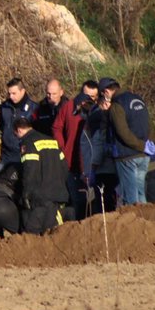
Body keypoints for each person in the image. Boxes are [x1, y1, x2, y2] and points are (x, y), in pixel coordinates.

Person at [98, 77, 152, 206]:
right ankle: (145, 222)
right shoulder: (138, 99)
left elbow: (122, 132)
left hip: (127, 156)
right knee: (141, 194)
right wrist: (145, 146)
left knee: (130, 197)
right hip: (144, 156)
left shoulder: (117, 106)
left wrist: (141, 146)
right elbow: (148, 125)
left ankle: (134, 224)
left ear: (106, 92)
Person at [52, 80, 99, 219]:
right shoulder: (69, 107)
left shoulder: (97, 111)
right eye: (85, 95)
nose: (88, 100)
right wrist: (62, 146)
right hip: (71, 162)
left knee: (93, 200)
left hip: (91, 164)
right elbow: (57, 127)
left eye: (92, 97)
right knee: (76, 199)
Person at [15, 117, 69, 234]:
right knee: (53, 233)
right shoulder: (52, 141)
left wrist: (26, 194)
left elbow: (29, 170)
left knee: (31, 234)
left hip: (39, 198)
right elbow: (64, 167)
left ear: (18, 130)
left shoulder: (27, 143)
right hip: (56, 196)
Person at [0, 77, 38, 166]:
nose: (11, 96)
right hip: (6, 154)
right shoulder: (4, 107)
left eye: (14, 93)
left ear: (22, 91)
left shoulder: (34, 109)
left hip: (25, 155)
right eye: (9, 93)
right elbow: (1, 126)